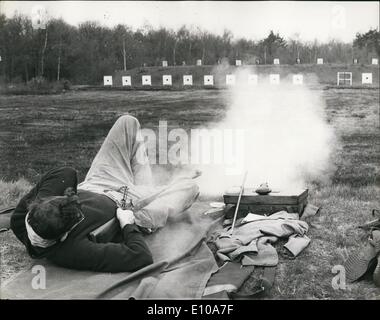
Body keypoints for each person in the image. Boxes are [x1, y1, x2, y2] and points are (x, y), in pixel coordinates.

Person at [11, 115, 200, 272]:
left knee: (127, 122)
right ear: (63, 237)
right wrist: (127, 224)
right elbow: (141, 257)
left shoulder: (21, 218)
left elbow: (66, 173)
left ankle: (157, 187)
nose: (78, 205)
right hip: (129, 209)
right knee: (189, 188)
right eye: (78, 215)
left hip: (98, 182)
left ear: (39, 205)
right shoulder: (72, 252)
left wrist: (50, 198)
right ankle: (161, 187)